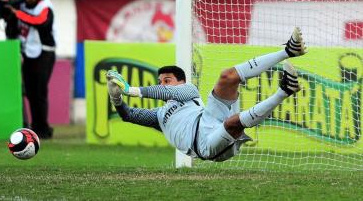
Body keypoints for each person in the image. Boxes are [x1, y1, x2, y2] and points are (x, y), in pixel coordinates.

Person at [106, 27, 306, 161]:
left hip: (208, 117)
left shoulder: (189, 92)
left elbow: (162, 92)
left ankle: (288, 51)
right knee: (231, 123)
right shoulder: (159, 116)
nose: (163, 85)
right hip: (204, 144)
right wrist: (116, 97)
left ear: (181, 82)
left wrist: (130, 90)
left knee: (227, 76)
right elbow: (128, 115)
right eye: (160, 81)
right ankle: (285, 90)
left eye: (167, 80)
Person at [5, 0, 56, 139]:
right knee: (30, 92)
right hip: (27, 52)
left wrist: (18, 13)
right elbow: (1, 12)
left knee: (39, 91)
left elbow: (40, 22)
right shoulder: (21, 5)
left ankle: (43, 128)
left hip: (44, 52)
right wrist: (9, 8)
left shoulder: (45, 6)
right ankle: (34, 127)